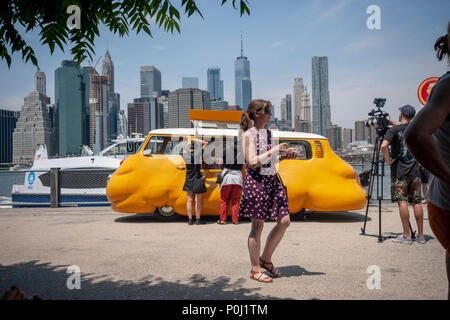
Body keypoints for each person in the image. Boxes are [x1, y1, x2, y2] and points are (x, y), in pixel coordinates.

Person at [404, 21, 450, 299]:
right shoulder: (447, 87)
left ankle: (412, 235)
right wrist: (447, 175)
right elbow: (416, 136)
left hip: (438, 197)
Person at [239, 99, 296, 283]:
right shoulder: (248, 134)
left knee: (285, 221)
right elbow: (253, 161)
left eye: (270, 111)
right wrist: (274, 151)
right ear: (256, 114)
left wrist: (285, 155)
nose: (270, 114)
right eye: (267, 111)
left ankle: (265, 259)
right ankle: (256, 268)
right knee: (258, 226)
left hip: (272, 179)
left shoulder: (269, 134)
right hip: (257, 181)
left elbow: (270, 160)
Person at [381, 104, 425, 244]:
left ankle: (406, 236)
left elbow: (383, 146)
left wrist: (388, 160)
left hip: (399, 171)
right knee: (416, 202)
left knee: (402, 202)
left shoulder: (394, 130)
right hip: (415, 171)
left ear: (402, 115)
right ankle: (421, 235)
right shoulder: (416, 129)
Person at [217, 137, 244, 225]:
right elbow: (244, 167)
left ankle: (222, 220)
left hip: (227, 177)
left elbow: (220, 163)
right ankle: (235, 220)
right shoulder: (242, 153)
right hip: (238, 178)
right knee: (236, 200)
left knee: (224, 200)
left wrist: (223, 168)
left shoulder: (225, 151)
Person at [182, 135, 208, 225]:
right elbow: (206, 143)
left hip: (189, 178)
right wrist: (195, 139)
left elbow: (185, 148)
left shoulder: (185, 154)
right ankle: (197, 220)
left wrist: (190, 142)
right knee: (198, 199)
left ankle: (190, 220)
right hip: (197, 177)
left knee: (189, 199)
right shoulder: (198, 153)